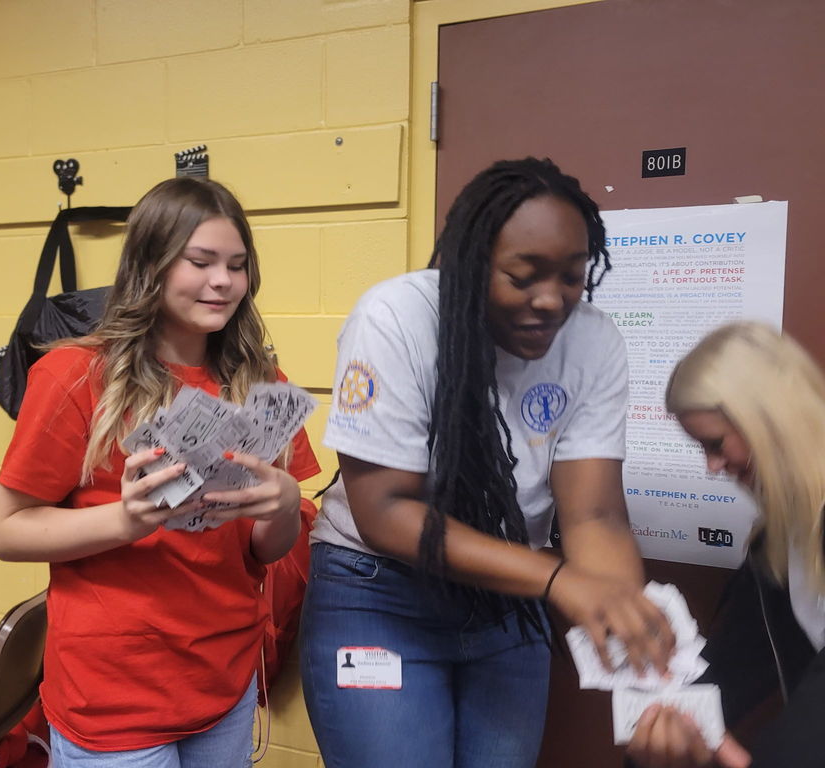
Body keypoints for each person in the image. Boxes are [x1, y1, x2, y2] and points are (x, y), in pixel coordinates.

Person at [300, 157, 674, 768]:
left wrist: (628, 633)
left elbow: (595, 515)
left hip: (507, 597)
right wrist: (557, 580)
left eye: (572, 276)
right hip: (381, 592)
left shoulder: (594, 341)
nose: (551, 300)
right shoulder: (396, 319)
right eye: (522, 276)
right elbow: (385, 511)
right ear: (470, 263)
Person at [0, 177, 320, 768]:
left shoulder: (263, 383)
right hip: (114, 694)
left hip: (225, 680)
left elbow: (264, 551)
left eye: (237, 265)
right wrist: (126, 520)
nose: (224, 281)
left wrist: (286, 505)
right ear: (151, 265)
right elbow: (6, 532)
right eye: (201, 261)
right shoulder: (75, 375)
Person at [627, 322, 825, 768]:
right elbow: (737, 658)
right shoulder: (779, 540)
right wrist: (671, 701)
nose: (713, 466)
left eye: (715, 444)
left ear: (772, 420)